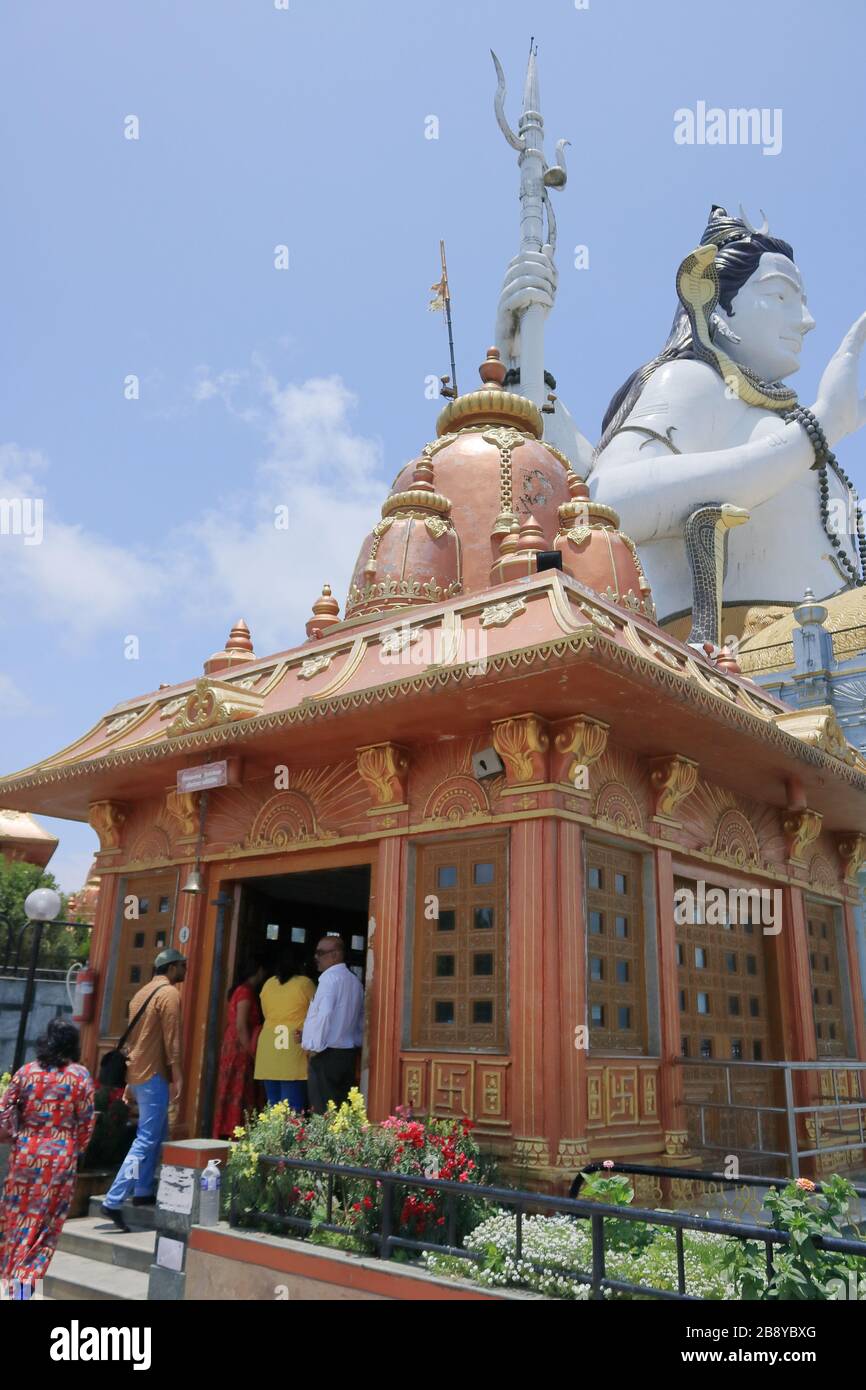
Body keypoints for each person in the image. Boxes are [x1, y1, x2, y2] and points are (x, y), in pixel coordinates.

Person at [0, 1018, 95, 1298]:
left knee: (16, 1222)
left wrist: (17, 1137)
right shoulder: (80, 1076)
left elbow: (4, 1113)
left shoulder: (25, 1073)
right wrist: (75, 1148)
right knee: (44, 1231)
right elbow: (87, 1124)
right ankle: (22, 1292)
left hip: (24, 1156)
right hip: (59, 1162)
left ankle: (12, 1283)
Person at [101, 947, 186, 1231]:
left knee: (157, 1133)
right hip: (153, 1076)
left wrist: (129, 1084)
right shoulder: (170, 994)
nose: (185, 970)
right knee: (147, 1138)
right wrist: (178, 1075)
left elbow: (137, 1041)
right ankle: (114, 1199)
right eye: (182, 965)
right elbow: (171, 1039)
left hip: (138, 1072)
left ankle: (143, 1190)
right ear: (172, 968)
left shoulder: (141, 994)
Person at [302, 936, 364, 1114]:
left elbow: (325, 1014)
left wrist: (315, 1046)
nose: (316, 957)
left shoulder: (329, 979)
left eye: (321, 953)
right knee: (342, 1108)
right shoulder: (355, 982)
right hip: (347, 1053)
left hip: (326, 1053)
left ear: (335, 955)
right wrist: (356, 1042)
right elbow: (360, 1018)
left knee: (323, 1110)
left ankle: (324, 1143)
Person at [254, 952, 315, 1111]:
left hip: (269, 1046)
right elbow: (317, 1013)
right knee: (292, 1109)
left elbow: (265, 1012)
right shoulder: (305, 983)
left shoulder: (268, 984)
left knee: (274, 1106)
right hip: (292, 1046)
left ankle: (274, 1137)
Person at [213, 957, 266, 1139]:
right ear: (257, 971)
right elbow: (241, 1025)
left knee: (234, 1091)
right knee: (240, 1091)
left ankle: (230, 1131)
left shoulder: (240, 990)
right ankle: (234, 1133)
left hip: (233, 1046)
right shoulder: (245, 992)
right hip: (240, 1048)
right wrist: (252, 1052)